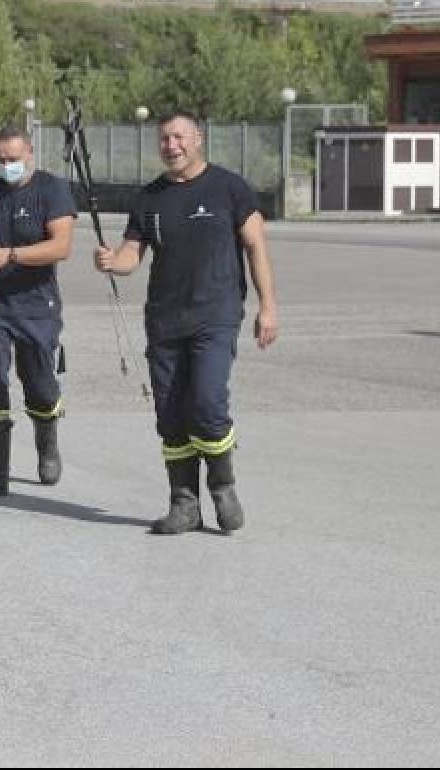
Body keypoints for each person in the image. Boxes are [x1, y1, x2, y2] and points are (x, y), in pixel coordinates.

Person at [93, 111, 278, 535]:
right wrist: (110, 262)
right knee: (170, 412)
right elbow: (130, 257)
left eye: (178, 137)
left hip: (215, 315)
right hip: (164, 320)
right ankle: (183, 503)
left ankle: (222, 485)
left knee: (208, 403)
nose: (170, 145)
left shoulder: (229, 188)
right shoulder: (150, 198)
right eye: (163, 139)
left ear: (197, 139)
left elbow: (257, 249)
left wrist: (269, 307)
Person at [0, 125, 77, 500]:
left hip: (36, 305)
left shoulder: (52, 190)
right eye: (1, 160)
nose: (7, 166)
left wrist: (12, 254)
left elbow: (61, 247)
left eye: (14, 159)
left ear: (31, 154)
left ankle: (47, 436)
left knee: (39, 384)